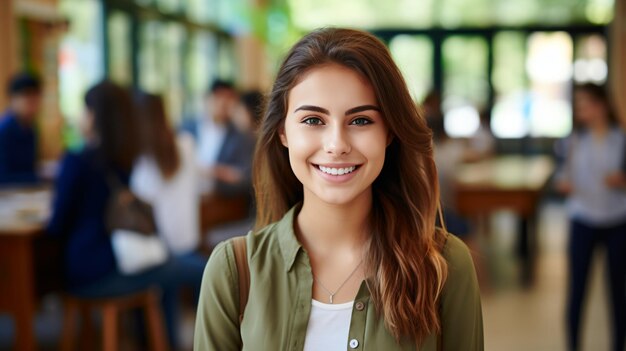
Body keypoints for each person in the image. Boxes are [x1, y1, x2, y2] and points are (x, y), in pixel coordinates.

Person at [195, 28, 483, 350]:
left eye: (360, 121)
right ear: (282, 132)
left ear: (389, 132)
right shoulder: (233, 271)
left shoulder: (445, 265)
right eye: (313, 121)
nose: (336, 145)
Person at [46, 81, 181, 348]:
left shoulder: (76, 162)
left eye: (84, 109)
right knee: (176, 270)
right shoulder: (124, 159)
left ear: (94, 114)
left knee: (175, 269)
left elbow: (56, 226)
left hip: (88, 271)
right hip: (116, 261)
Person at [555, 83, 626, 351]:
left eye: (586, 104)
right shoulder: (572, 141)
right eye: (579, 105)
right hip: (583, 218)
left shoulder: (621, 139)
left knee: (617, 290)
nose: (582, 110)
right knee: (578, 289)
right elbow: (561, 176)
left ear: (602, 105)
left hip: (617, 220)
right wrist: (563, 184)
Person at [130, 92, 206, 296]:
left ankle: (162, 329)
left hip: (157, 249)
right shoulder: (187, 144)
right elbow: (199, 186)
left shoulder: (140, 159)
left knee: (161, 279)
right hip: (188, 241)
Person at [181, 80, 255, 197]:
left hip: (221, 201)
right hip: (186, 195)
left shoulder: (241, 136)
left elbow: (246, 175)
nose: (223, 104)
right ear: (208, 98)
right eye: (218, 97)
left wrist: (216, 172)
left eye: (228, 99)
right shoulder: (186, 127)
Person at [0, 72, 42, 185]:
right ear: (12, 99)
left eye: (36, 97)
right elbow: (3, 177)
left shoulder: (31, 129)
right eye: (27, 97)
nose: (32, 103)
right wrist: (37, 178)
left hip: (25, 196)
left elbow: (29, 167)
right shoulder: (4, 131)